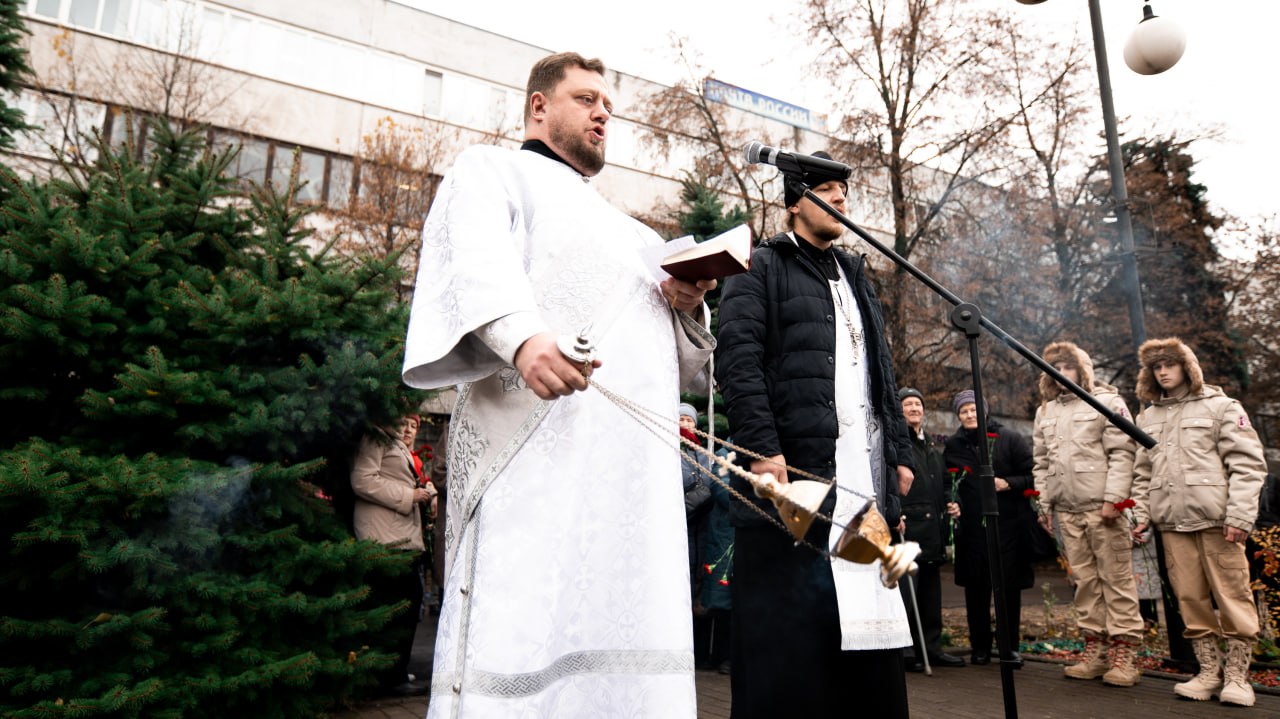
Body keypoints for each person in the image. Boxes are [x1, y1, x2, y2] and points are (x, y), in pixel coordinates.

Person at [400, 52, 715, 718]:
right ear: (539, 106)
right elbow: (474, 259)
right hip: (531, 464)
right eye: (585, 98)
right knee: (525, 634)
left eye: (608, 103)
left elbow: (685, 371)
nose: (603, 111)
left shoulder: (637, 236)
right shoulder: (491, 171)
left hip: (630, 491)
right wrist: (522, 337)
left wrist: (685, 302)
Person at [715, 153, 915, 718]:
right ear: (795, 201)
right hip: (797, 474)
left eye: (846, 194)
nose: (842, 202)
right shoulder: (760, 267)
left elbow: (883, 371)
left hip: (864, 479)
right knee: (791, 638)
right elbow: (738, 361)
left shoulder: (856, 274)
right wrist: (762, 449)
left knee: (866, 633)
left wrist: (897, 452)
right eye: (828, 192)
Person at [1129, 338, 1267, 707]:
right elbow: (1142, 475)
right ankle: (1208, 672)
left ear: (1187, 366)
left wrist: (1239, 516)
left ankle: (1238, 678)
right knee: (1190, 599)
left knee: (1233, 597)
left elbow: (1248, 465)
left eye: (1169, 364)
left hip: (1219, 523)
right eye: (1155, 367)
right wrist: (1140, 515)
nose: (1162, 371)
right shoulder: (1148, 417)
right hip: (1173, 525)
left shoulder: (1222, 407)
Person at [1031, 341, 1144, 686]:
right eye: (1056, 368)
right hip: (1066, 511)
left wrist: (1114, 499)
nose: (1062, 374)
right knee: (1084, 583)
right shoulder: (1046, 412)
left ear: (1082, 370)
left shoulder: (1107, 402)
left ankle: (1126, 654)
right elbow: (1042, 462)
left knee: (1117, 580)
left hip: (1103, 510)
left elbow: (1124, 454)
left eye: (1068, 367)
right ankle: (1095, 649)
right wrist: (1044, 505)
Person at [943, 390, 1035, 668]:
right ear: (958, 415)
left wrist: (1008, 483)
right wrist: (953, 502)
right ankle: (980, 647)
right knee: (976, 589)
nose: (969, 415)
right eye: (963, 411)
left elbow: (1032, 474)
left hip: (1007, 526)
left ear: (984, 411)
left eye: (973, 410)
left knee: (1007, 590)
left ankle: (1009, 648)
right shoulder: (954, 445)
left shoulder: (1009, 439)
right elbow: (949, 483)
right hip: (972, 529)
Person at [350, 414, 438, 696]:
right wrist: (409, 496)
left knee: (407, 605)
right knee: (396, 606)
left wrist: (426, 493)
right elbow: (362, 479)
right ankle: (387, 678)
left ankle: (393, 672)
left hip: (400, 536)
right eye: (402, 420)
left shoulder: (394, 443)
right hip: (384, 537)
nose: (407, 427)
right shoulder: (375, 436)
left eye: (413, 424)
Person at [898, 387, 966, 671]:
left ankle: (933, 648)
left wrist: (954, 502)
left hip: (933, 531)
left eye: (918, 404)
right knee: (906, 595)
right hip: (907, 529)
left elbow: (947, 485)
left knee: (930, 595)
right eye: (908, 404)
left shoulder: (934, 448)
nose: (914, 408)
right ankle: (907, 652)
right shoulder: (898, 445)